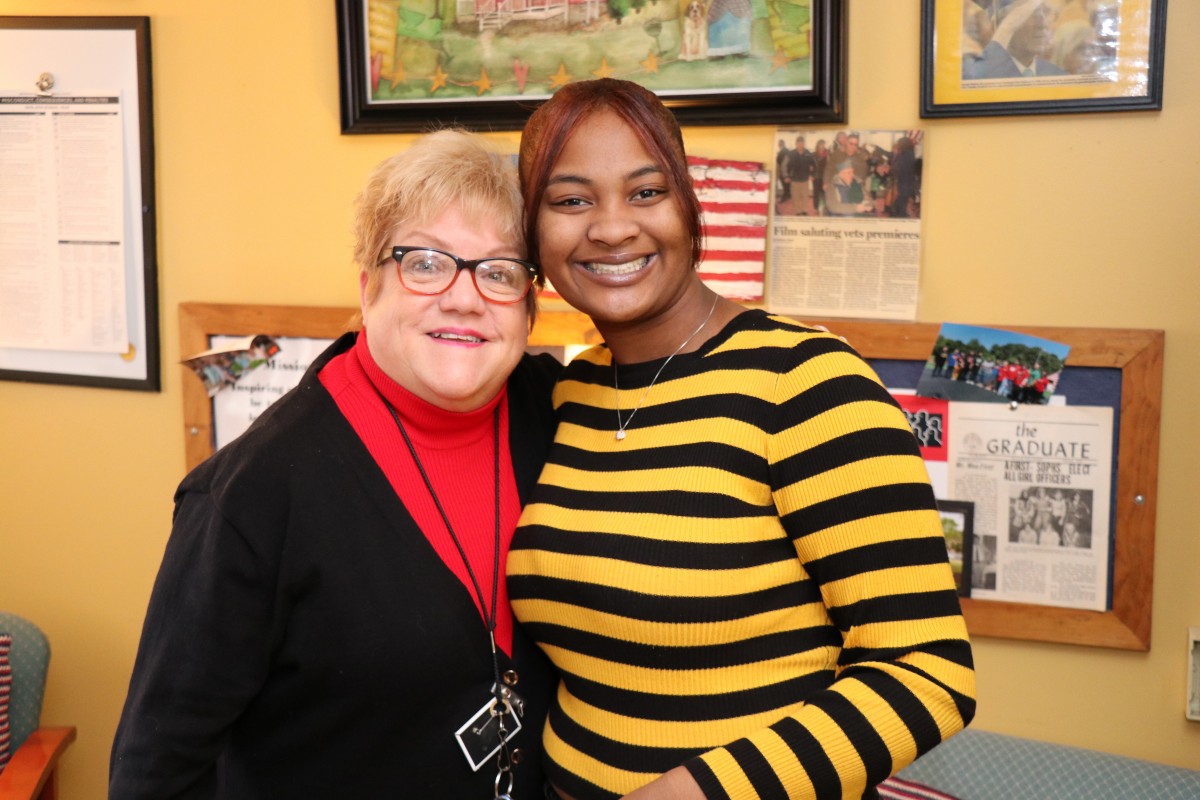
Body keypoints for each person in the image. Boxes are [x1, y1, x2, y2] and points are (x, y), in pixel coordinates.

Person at [511, 78, 975, 800]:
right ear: (533, 237)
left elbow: (927, 673)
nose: (610, 227)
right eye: (571, 200)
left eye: (645, 192)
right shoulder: (570, 394)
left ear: (689, 209)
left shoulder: (806, 382)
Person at [110, 130, 561, 799]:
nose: (465, 298)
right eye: (427, 263)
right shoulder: (250, 497)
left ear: (528, 305)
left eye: (498, 271)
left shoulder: (557, 418)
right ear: (367, 285)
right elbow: (157, 773)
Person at [963, 0, 1067, 79]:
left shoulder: (1057, 75)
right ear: (1004, 23)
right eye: (1030, 13)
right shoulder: (977, 74)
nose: (1042, 24)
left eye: (1047, 12)